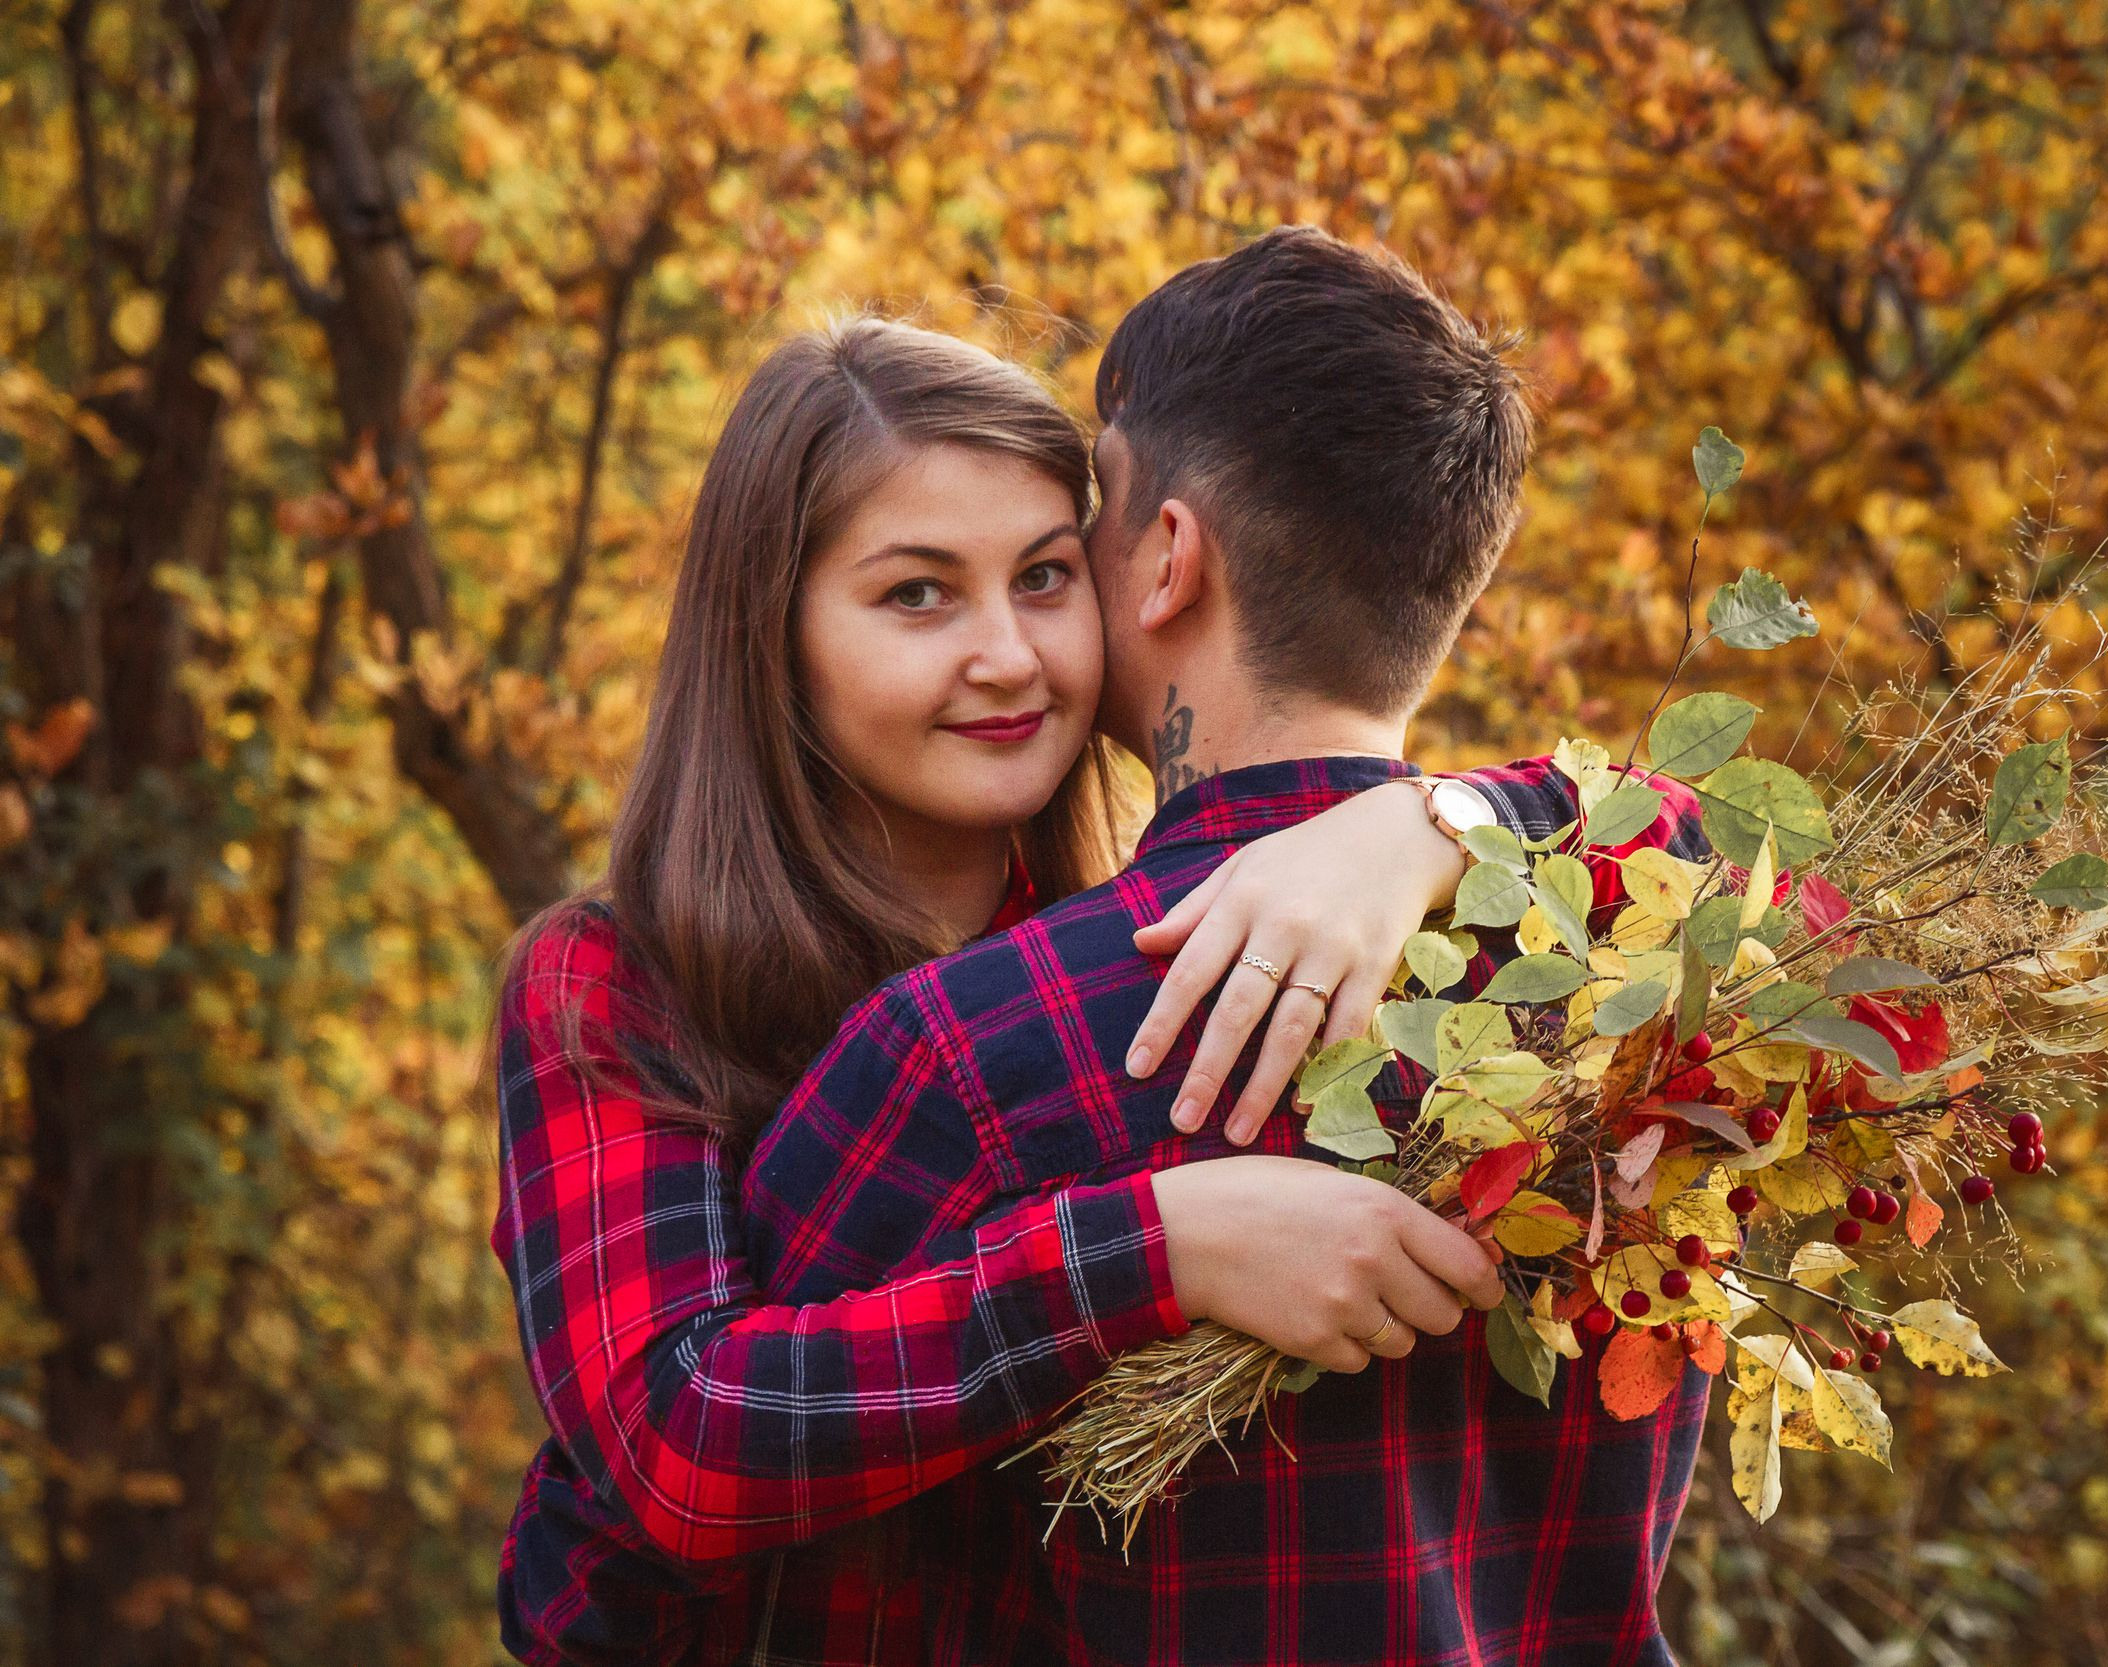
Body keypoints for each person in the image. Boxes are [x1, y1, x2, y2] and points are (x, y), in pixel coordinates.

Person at [492, 313, 1617, 1665]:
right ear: (770, 631)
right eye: (917, 595)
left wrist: (1438, 820)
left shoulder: (1148, 941)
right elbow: (675, 1443)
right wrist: (1159, 1246)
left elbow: (1718, 856)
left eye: (1041, 577)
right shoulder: (621, 979)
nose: (1010, 657)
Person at [741, 228, 1713, 1665]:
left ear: (1165, 563)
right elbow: (1755, 866)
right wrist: (1457, 817)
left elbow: (688, 1481)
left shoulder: (967, 1052)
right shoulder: (1666, 971)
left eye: (1079, 538)